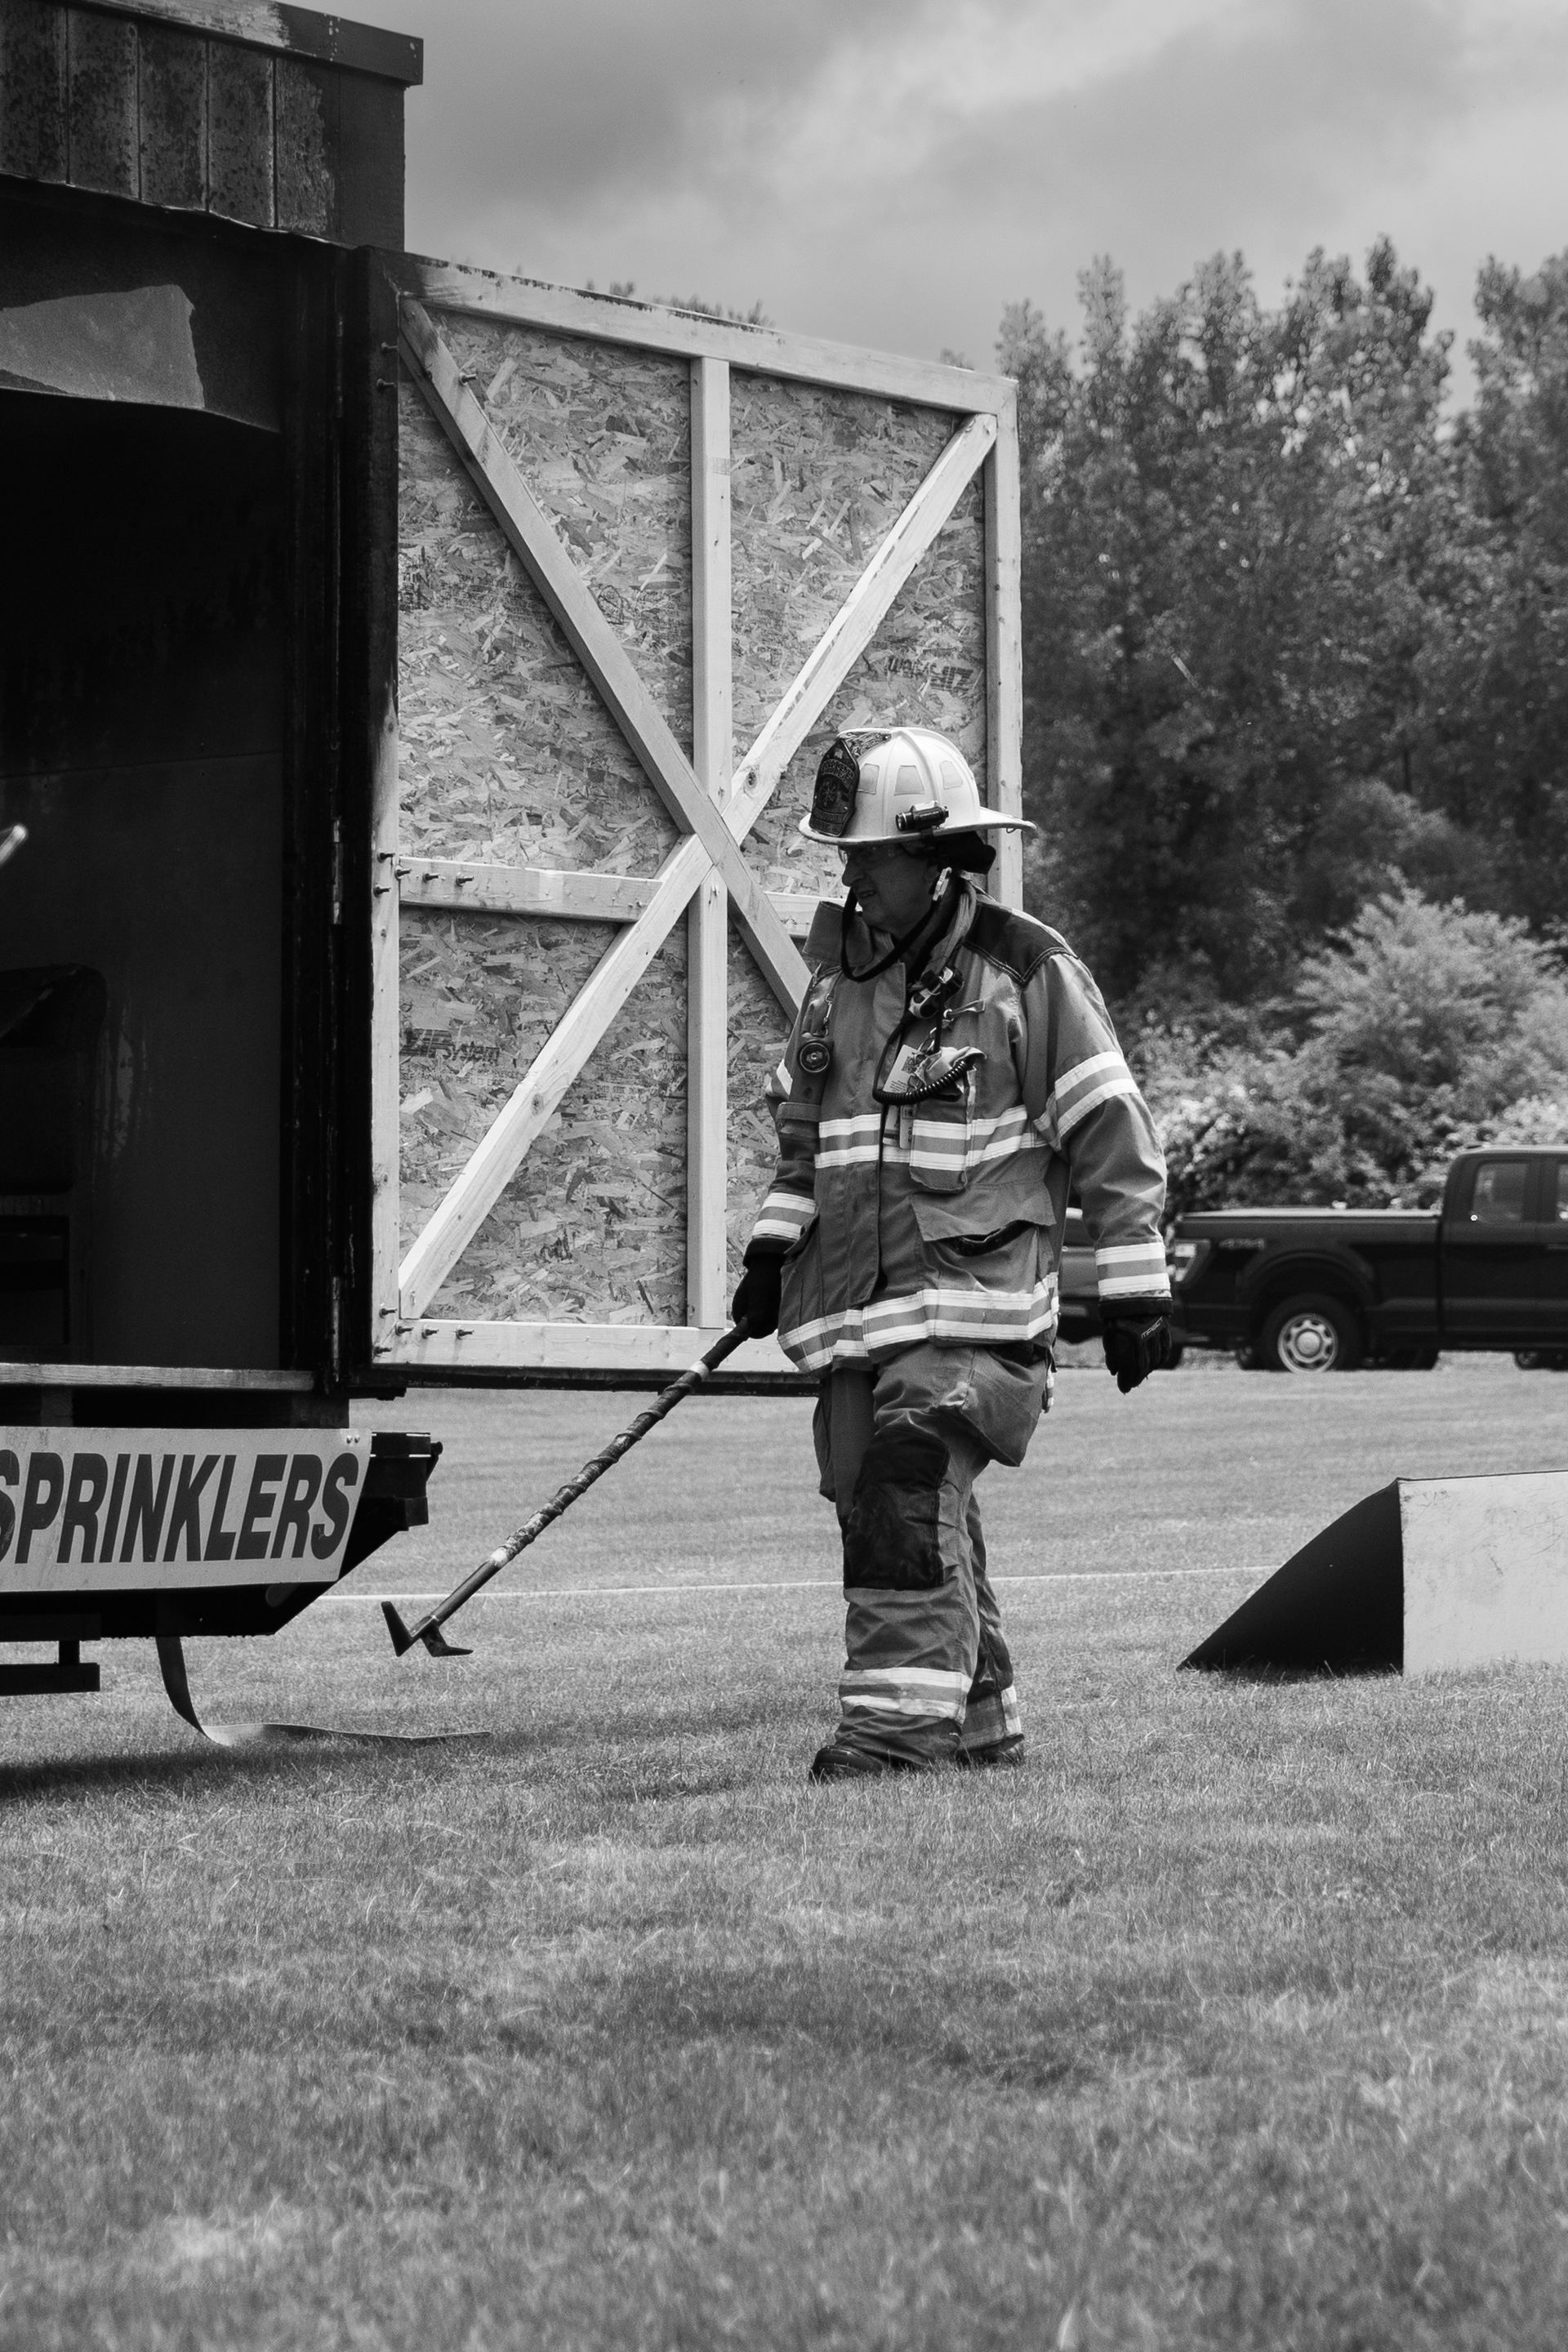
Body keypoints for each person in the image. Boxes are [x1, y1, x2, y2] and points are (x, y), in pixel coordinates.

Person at [731, 726, 1172, 1782]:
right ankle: (982, 1727)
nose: (851, 876)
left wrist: (1137, 1286)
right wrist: (768, 1253)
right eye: (845, 857)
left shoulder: (1028, 972)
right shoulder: (835, 987)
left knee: (906, 1482)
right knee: (888, 1503)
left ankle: (895, 1741)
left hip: (978, 1315)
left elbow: (1110, 1127)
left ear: (941, 859)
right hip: (856, 1318)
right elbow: (809, 1148)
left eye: (868, 856)